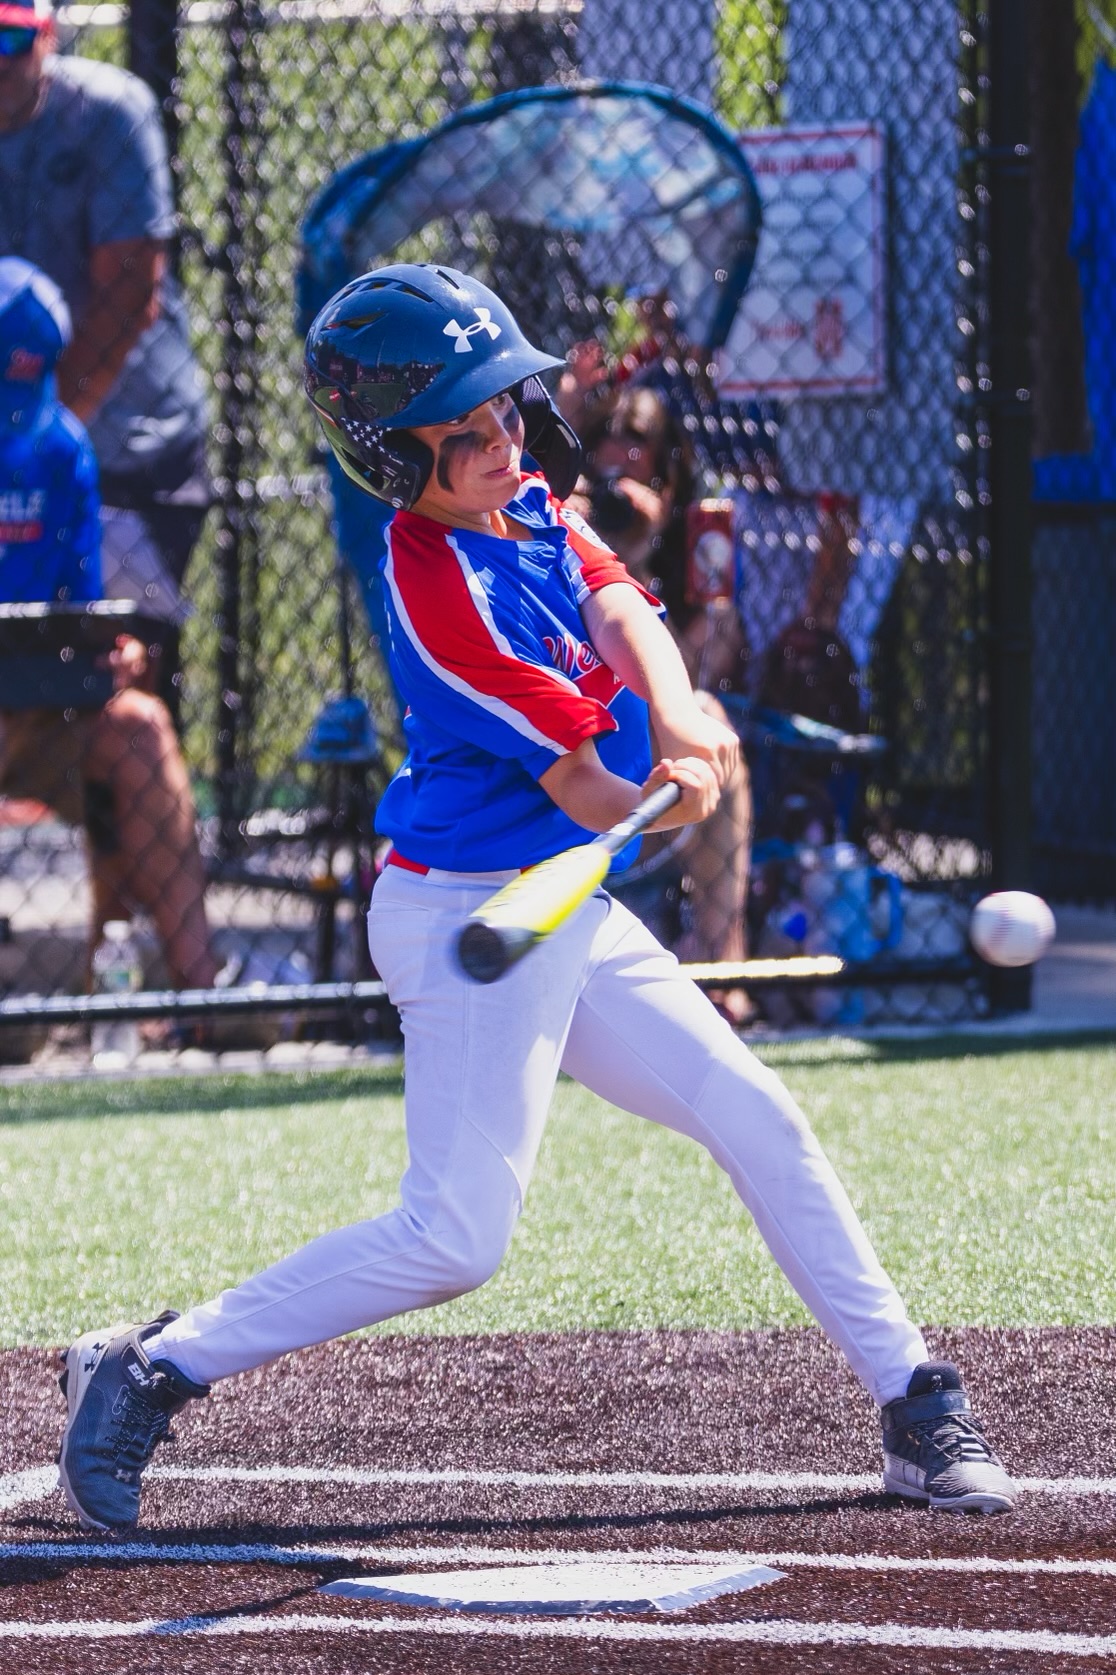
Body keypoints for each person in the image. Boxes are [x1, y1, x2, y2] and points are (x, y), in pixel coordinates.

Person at [56, 264, 1015, 1533]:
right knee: (456, 1237)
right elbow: (578, 785)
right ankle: (156, 1366)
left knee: (756, 1113)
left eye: (509, 409)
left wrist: (679, 721)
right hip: (468, 921)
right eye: (468, 433)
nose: (506, 441)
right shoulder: (440, 592)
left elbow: (617, 600)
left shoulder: (526, 501)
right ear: (396, 460)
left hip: (556, 911)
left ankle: (912, 1393)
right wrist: (666, 800)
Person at [0, 255, 217, 991]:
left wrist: (110, 652)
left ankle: (200, 990)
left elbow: (78, 605)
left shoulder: (60, 447)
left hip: (44, 708)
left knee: (140, 728)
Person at [0, 0, 212, 705]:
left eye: (12, 37)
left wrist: (38, 442)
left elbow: (128, 297)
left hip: (127, 451)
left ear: (47, 37)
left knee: (119, 683)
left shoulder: (109, 113)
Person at [567, 384, 753, 985]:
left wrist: (639, 555)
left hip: (659, 784)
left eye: (635, 469)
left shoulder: (692, 546)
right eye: (606, 471)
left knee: (709, 714)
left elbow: (702, 672)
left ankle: (726, 963)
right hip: (576, 769)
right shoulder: (555, 533)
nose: (618, 490)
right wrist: (599, 541)